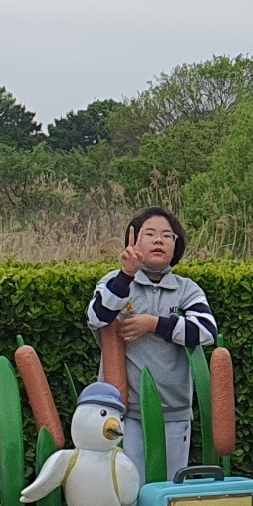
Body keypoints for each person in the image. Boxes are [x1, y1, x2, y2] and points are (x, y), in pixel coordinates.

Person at [87, 206, 217, 485]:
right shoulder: (114, 282)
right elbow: (97, 317)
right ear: (133, 241)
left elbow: (206, 332)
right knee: (128, 492)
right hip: (125, 413)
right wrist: (126, 275)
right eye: (150, 234)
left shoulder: (186, 289)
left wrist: (155, 324)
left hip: (174, 413)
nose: (159, 240)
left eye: (167, 236)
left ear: (176, 246)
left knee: (167, 492)